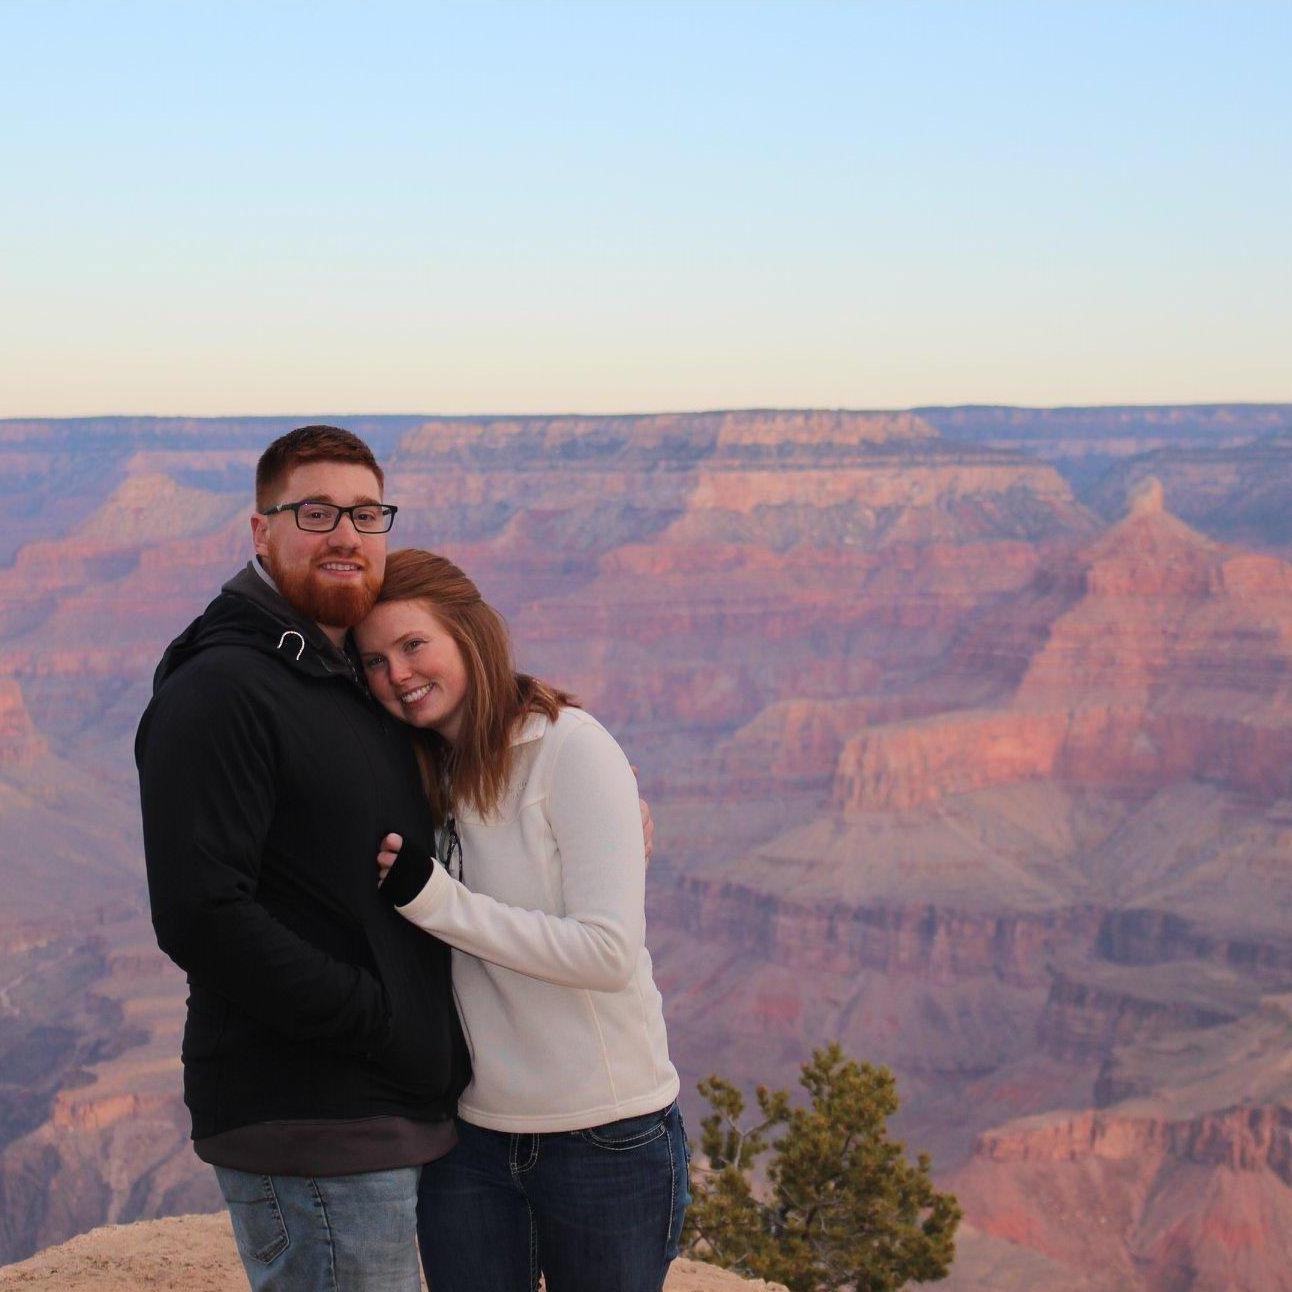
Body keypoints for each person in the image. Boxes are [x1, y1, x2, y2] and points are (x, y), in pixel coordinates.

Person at [135, 427, 469, 1292]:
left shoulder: (337, 665)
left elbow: (464, 706)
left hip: (381, 1109)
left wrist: (578, 766)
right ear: (261, 531)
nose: (346, 535)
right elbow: (201, 914)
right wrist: (377, 1017)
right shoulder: (222, 689)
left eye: (365, 513)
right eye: (315, 512)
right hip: (315, 1122)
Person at [353, 548, 688, 1292]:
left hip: (605, 1136)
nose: (398, 675)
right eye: (375, 662)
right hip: (471, 1136)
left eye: (414, 645)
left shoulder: (571, 748)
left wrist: (437, 901)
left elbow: (607, 952)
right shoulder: (420, 769)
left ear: (469, 632)